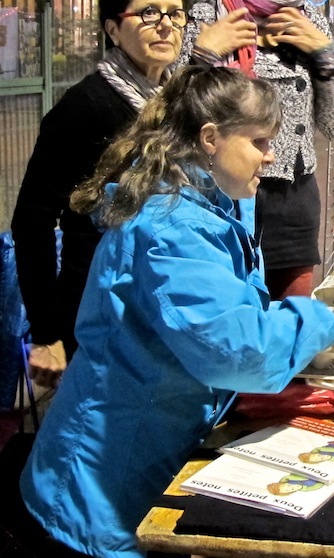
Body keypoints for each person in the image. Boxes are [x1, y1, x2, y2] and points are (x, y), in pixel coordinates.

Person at [18, 65, 334, 558]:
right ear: (210, 139)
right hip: (98, 486)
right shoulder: (171, 227)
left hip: (140, 448)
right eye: (260, 142)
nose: (270, 158)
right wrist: (316, 321)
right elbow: (236, 351)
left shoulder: (213, 201)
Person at [10, 0, 190, 387]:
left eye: (174, 13)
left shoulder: (180, 102)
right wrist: (46, 334)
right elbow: (32, 222)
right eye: (148, 13)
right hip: (100, 305)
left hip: (165, 296)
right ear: (112, 30)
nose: (165, 25)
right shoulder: (83, 107)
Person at [179, 0, 334, 300]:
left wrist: (325, 58)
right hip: (220, 197)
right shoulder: (209, 15)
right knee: (224, 311)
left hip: (292, 203)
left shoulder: (306, 18)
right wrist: (202, 56)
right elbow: (173, 110)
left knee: (289, 325)